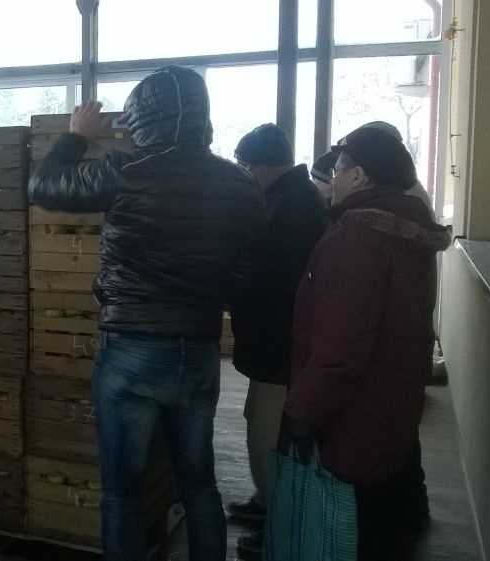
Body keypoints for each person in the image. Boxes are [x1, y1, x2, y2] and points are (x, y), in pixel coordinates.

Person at [29, 66, 267, 561]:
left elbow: (45, 186)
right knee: (199, 482)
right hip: (198, 348)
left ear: (140, 117)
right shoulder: (241, 183)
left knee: (123, 491)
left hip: (131, 348)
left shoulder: (125, 171)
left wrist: (77, 136)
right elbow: (246, 279)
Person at [278, 126, 450, 560]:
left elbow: (341, 348)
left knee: (352, 532)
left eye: (337, 170)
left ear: (358, 175)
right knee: (380, 523)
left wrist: (302, 412)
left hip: (354, 416)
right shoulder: (403, 226)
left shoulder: (357, 240)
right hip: (390, 403)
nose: (332, 179)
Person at [228, 123, 328, 560]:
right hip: (275, 345)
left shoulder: (291, 208)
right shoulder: (292, 198)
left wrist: (230, 284)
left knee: (266, 436)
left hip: (280, 346)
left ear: (262, 166)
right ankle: (265, 503)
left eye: (245, 165)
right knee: (258, 421)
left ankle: (277, 528)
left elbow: (272, 282)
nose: (243, 173)